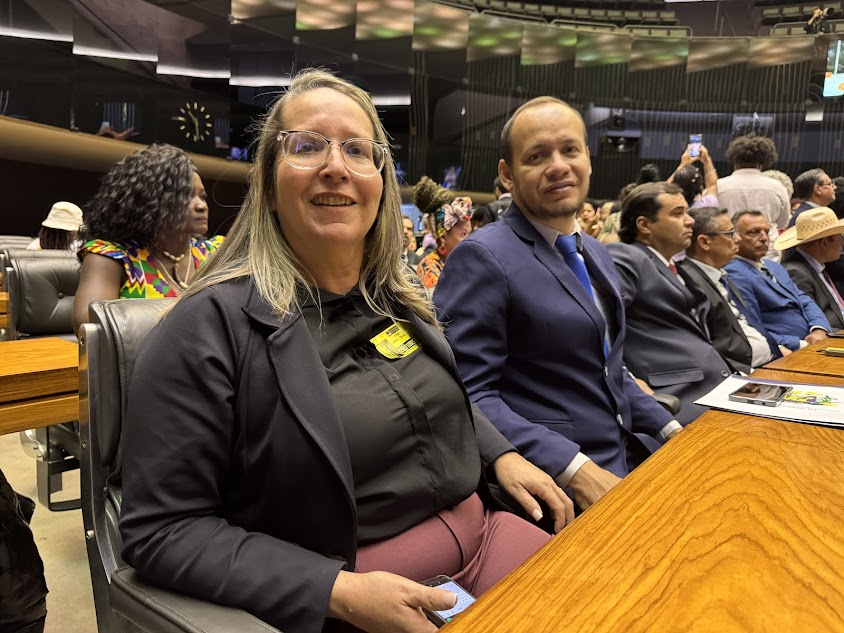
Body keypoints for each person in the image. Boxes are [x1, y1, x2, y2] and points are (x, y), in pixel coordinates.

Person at [118, 69, 572, 633]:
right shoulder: (204, 328)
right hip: (358, 602)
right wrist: (338, 591)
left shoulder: (395, 301)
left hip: (493, 538)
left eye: (358, 150)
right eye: (307, 146)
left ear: (380, 183)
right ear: (265, 180)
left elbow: (432, 402)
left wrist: (500, 453)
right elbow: (161, 531)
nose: (336, 165)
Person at [434, 96, 679, 514]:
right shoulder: (482, 256)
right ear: (508, 175)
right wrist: (573, 467)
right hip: (558, 481)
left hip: (628, 456)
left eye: (570, 150)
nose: (558, 165)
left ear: (587, 157)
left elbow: (608, 370)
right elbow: (464, 393)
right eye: (537, 156)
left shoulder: (596, 253)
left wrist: (671, 428)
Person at [607, 182, 732, 425]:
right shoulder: (627, 257)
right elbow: (600, 327)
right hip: (676, 396)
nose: (690, 221)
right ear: (644, 225)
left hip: (711, 385)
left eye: (687, 212)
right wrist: (629, 380)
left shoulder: (673, 266)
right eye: (677, 214)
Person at [73, 144, 223, 332]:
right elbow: (93, 330)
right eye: (185, 196)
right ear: (150, 201)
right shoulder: (111, 256)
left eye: (202, 196)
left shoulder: (217, 253)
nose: (201, 206)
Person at [678, 207, 782, 373]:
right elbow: (708, 348)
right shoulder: (690, 283)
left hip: (769, 361)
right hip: (743, 374)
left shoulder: (720, 274)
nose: (738, 239)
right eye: (730, 233)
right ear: (704, 242)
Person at [725, 210, 831, 351]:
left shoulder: (773, 266)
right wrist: (800, 344)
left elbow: (804, 300)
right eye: (753, 232)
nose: (763, 238)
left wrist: (819, 328)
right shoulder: (734, 272)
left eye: (766, 231)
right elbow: (753, 327)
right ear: (735, 237)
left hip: (814, 340)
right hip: (785, 351)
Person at [716, 135, 790, 262]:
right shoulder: (777, 187)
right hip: (768, 254)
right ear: (762, 163)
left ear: (734, 161)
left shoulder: (717, 187)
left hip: (728, 250)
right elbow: (782, 222)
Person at [777, 207, 844, 331]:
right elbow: (809, 323)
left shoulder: (816, 266)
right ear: (824, 243)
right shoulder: (797, 273)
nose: (842, 243)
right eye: (840, 237)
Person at [413, 177, 473, 290]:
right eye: (463, 234)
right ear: (443, 236)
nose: (469, 240)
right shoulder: (429, 268)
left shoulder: (463, 262)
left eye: (469, 233)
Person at [668, 144, 718, 209]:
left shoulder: (669, 207)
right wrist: (707, 160)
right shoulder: (708, 204)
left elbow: (662, 191)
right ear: (700, 186)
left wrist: (682, 165)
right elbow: (712, 185)